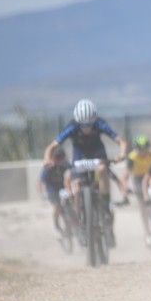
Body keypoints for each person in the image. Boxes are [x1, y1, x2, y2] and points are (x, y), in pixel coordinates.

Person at [43, 99, 127, 248]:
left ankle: (105, 206)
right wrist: (47, 159)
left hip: (97, 153)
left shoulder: (100, 123)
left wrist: (121, 154)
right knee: (75, 184)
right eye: (83, 125)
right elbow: (52, 146)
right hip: (79, 156)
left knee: (102, 170)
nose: (87, 128)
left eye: (89, 124)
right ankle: (80, 219)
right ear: (78, 122)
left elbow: (121, 141)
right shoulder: (72, 126)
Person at [121, 135, 151, 246]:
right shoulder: (132, 157)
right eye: (140, 149)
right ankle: (147, 233)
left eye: (145, 149)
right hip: (138, 179)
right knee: (143, 207)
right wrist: (125, 188)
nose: (143, 152)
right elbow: (125, 175)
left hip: (150, 177)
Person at [38, 147, 72, 236]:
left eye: (61, 158)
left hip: (63, 189)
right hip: (52, 190)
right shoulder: (48, 167)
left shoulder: (66, 165)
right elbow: (40, 182)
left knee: (70, 204)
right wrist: (42, 194)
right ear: (53, 158)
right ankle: (56, 225)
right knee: (57, 206)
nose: (59, 160)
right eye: (57, 158)